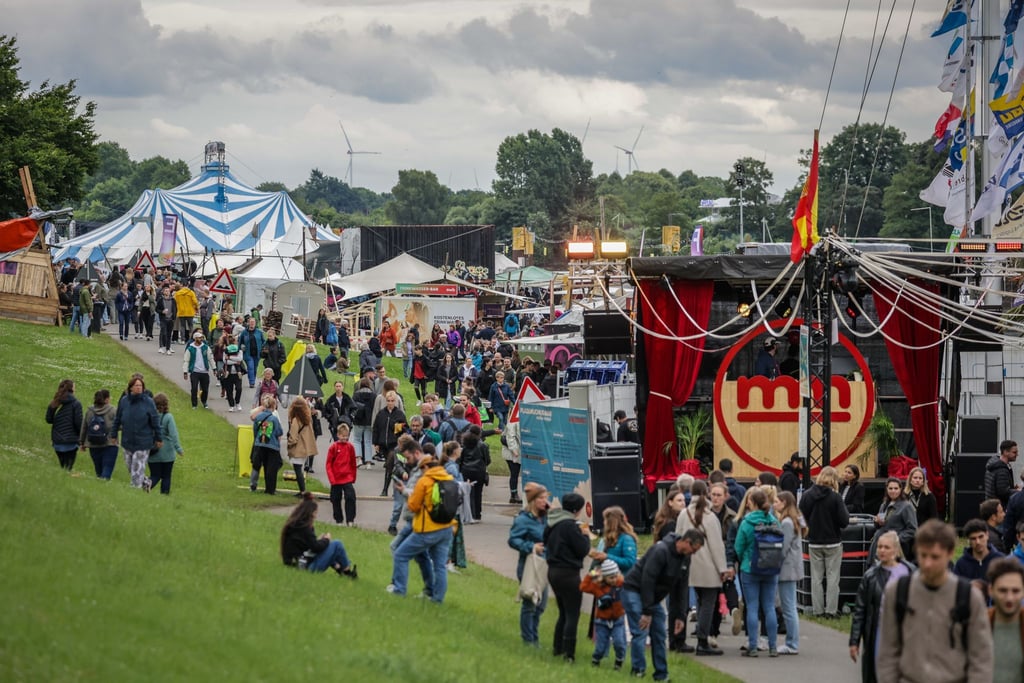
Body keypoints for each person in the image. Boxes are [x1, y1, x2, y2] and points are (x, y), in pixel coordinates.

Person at [876, 520, 993, 683]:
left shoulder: (969, 597)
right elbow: (887, 651)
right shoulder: (897, 592)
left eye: (935, 557)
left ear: (950, 553)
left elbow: (981, 658)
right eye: (923, 555)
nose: (928, 563)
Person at [622, 529, 706, 680]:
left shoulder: (685, 559)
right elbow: (648, 580)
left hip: (652, 596)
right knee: (641, 630)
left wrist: (681, 615)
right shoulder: (661, 551)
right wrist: (647, 611)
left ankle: (661, 674)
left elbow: (682, 587)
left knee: (660, 634)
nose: (693, 553)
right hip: (635, 589)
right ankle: (638, 671)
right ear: (687, 542)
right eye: (693, 549)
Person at [388, 447, 457, 603]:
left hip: (427, 529)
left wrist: (406, 492)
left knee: (400, 555)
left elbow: (413, 506)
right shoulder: (447, 477)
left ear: (425, 467)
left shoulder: (425, 481)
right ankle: (437, 598)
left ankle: (399, 590)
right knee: (439, 566)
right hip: (446, 528)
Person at [849, 531, 915, 683]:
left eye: (886, 547)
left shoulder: (910, 572)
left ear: (896, 550)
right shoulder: (870, 576)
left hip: (905, 632)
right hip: (879, 631)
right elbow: (860, 609)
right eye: (879, 547)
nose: (882, 550)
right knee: (878, 672)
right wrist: (854, 641)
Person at [675, 480, 727, 655]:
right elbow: (716, 546)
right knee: (708, 605)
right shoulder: (711, 517)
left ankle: (683, 637)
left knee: (694, 602)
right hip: (708, 567)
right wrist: (722, 569)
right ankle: (703, 641)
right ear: (706, 493)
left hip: (689, 565)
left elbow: (678, 538)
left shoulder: (683, 514)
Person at [544, 492, 597, 663]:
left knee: (563, 612)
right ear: (577, 509)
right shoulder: (571, 527)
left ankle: (557, 648)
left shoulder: (553, 522)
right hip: (568, 573)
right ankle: (569, 654)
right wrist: (585, 535)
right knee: (572, 614)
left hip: (553, 571)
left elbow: (545, 540)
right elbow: (582, 550)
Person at [799, 465, 850, 618]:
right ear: (834, 480)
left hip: (814, 541)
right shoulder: (835, 497)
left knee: (816, 578)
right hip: (833, 542)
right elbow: (844, 521)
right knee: (833, 578)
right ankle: (831, 611)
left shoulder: (807, 495)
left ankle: (818, 610)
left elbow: (801, 517)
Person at [735, 486, 780, 657]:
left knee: (752, 607)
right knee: (769, 607)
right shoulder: (774, 521)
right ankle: (773, 646)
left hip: (750, 568)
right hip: (771, 567)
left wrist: (743, 560)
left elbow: (738, 547)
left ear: (752, 503)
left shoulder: (747, 522)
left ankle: (753, 646)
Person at [508, 482, 549, 646]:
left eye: (546, 497)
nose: (545, 501)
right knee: (530, 604)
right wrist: (530, 547)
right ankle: (529, 640)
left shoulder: (545, 518)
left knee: (541, 604)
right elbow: (513, 540)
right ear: (533, 500)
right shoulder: (523, 519)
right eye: (542, 498)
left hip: (544, 566)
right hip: (528, 566)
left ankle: (534, 636)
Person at [280, 492, 358, 577]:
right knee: (337, 544)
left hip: (295, 563)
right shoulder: (305, 527)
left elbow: (309, 547)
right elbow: (316, 547)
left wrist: (321, 541)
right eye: (315, 513)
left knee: (327, 547)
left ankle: (339, 567)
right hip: (306, 567)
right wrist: (326, 539)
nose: (316, 516)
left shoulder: (294, 525)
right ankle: (347, 571)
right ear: (311, 513)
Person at [111, 375, 162, 490]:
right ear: (130, 388)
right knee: (131, 468)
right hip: (127, 441)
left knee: (137, 469)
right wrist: (113, 434)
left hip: (143, 443)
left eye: (140, 386)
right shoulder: (124, 401)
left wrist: (159, 438)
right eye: (136, 386)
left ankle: (135, 491)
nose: (139, 388)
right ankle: (145, 482)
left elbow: (155, 420)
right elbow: (118, 418)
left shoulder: (148, 402)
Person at [580, 559, 627, 670]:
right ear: (604, 577)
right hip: (602, 621)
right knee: (600, 646)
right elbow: (582, 587)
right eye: (611, 577)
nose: (614, 580)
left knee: (619, 643)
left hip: (617, 620)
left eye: (616, 576)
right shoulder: (597, 586)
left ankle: (619, 661)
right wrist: (592, 574)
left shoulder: (621, 584)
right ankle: (596, 660)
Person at [775, 490, 804, 655]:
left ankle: (792, 643)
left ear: (784, 503)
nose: (774, 504)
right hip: (792, 567)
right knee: (790, 606)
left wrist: (773, 563)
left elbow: (783, 547)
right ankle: (792, 642)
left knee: (788, 607)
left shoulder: (787, 522)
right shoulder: (795, 519)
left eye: (777, 502)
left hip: (786, 568)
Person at [986, 557, 1024, 682]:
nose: (1009, 598)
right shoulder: (977, 625)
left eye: (1015, 591)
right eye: (1003, 590)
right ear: (991, 590)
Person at [953, 519, 1005, 597]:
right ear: (968, 540)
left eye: (981, 537)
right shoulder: (961, 564)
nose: (978, 542)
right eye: (973, 538)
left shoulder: (1001, 560)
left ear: (987, 535)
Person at [870, 477, 918, 562]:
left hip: (896, 550)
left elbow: (912, 529)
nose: (893, 491)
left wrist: (895, 540)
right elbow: (879, 526)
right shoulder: (884, 505)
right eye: (890, 488)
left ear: (900, 489)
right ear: (886, 489)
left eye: (896, 488)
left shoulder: (906, 506)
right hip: (879, 546)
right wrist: (877, 522)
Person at [371, 390, 406, 500]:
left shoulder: (399, 414)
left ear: (395, 401)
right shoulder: (381, 413)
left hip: (395, 444)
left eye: (392, 401)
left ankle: (385, 489)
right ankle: (393, 488)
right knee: (390, 465)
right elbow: (376, 428)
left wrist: (397, 427)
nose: (390, 403)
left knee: (390, 465)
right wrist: (375, 442)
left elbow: (405, 429)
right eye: (388, 401)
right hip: (383, 444)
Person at [149, 392, 183, 494]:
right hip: (167, 452)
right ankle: (164, 495)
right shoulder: (168, 417)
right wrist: (178, 448)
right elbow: (174, 434)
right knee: (166, 476)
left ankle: (146, 485)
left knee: (155, 475)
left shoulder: (150, 416)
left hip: (153, 451)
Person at [79, 388, 118, 479]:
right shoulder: (112, 410)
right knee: (107, 468)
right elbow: (120, 425)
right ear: (107, 399)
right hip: (110, 444)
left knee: (98, 471)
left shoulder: (89, 411)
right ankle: (104, 486)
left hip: (93, 444)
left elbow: (84, 427)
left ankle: (100, 486)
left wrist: (82, 442)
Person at [46, 378, 83, 471]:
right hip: (71, 441)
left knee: (63, 466)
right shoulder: (76, 404)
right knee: (68, 467)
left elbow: (49, 419)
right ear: (72, 389)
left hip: (57, 440)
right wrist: (82, 438)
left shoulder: (55, 402)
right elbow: (78, 423)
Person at [250, 394, 283, 494]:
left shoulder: (258, 417)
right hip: (271, 446)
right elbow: (279, 432)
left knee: (256, 465)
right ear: (273, 406)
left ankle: (253, 484)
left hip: (259, 445)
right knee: (271, 468)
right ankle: (270, 489)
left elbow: (255, 430)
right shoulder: (274, 419)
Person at [326, 423, 358, 526]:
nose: (344, 438)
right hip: (336, 478)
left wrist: (353, 477)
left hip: (347, 477)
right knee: (335, 499)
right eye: (342, 436)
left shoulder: (350, 447)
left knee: (350, 497)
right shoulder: (334, 447)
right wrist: (331, 478)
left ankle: (350, 520)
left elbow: (353, 462)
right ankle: (338, 519)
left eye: (346, 436)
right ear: (338, 435)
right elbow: (329, 464)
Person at [286, 397, 317, 495]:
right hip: (305, 448)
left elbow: (293, 436)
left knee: (298, 470)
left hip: (298, 448)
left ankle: (302, 490)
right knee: (300, 469)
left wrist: (290, 443)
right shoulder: (307, 420)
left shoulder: (296, 420)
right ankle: (302, 490)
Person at [459, 425, 491, 522]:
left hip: (466, 470)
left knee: (467, 493)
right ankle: (477, 514)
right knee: (478, 493)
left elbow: (461, 459)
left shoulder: (464, 444)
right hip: (479, 471)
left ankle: (468, 513)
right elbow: (487, 460)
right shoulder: (483, 446)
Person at [182, 330, 212, 409]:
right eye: (199, 338)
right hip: (195, 372)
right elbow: (186, 360)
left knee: (205, 389)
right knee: (194, 388)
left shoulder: (206, 347)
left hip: (204, 371)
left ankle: (204, 401)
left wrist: (214, 368)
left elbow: (210, 358)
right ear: (195, 338)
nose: (201, 339)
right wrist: (185, 371)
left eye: (201, 338)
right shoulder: (190, 348)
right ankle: (194, 404)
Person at [350, 378, 375, 468]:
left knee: (357, 440)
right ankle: (368, 462)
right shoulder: (373, 395)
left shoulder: (356, 395)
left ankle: (359, 459)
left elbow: (352, 407)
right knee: (368, 441)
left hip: (358, 420)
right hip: (369, 421)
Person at [237, 318, 265, 387]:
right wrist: (238, 351)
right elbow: (240, 342)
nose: (252, 323)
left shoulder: (259, 332)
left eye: (253, 322)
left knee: (255, 368)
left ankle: (253, 379)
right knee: (250, 367)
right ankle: (251, 382)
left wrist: (263, 349)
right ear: (248, 323)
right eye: (251, 322)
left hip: (257, 354)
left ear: (255, 323)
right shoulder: (244, 332)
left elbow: (264, 341)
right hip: (248, 354)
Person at [502, 419, 522, 504]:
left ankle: (515, 495)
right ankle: (514, 495)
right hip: (512, 454)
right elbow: (510, 437)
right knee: (514, 473)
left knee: (515, 474)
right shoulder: (513, 421)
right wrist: (514, 450)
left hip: (519, 452)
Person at [222, 342, 244, 412]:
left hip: (237, 374)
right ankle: (231, 405)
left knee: (239, 388)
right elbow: (225, 361)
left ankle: (237, 402)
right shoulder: (225, 351)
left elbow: (240, 359)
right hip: (228, 374)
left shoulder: (240, 351)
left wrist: (229, 358)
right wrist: (235, 361)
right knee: (229, 390)